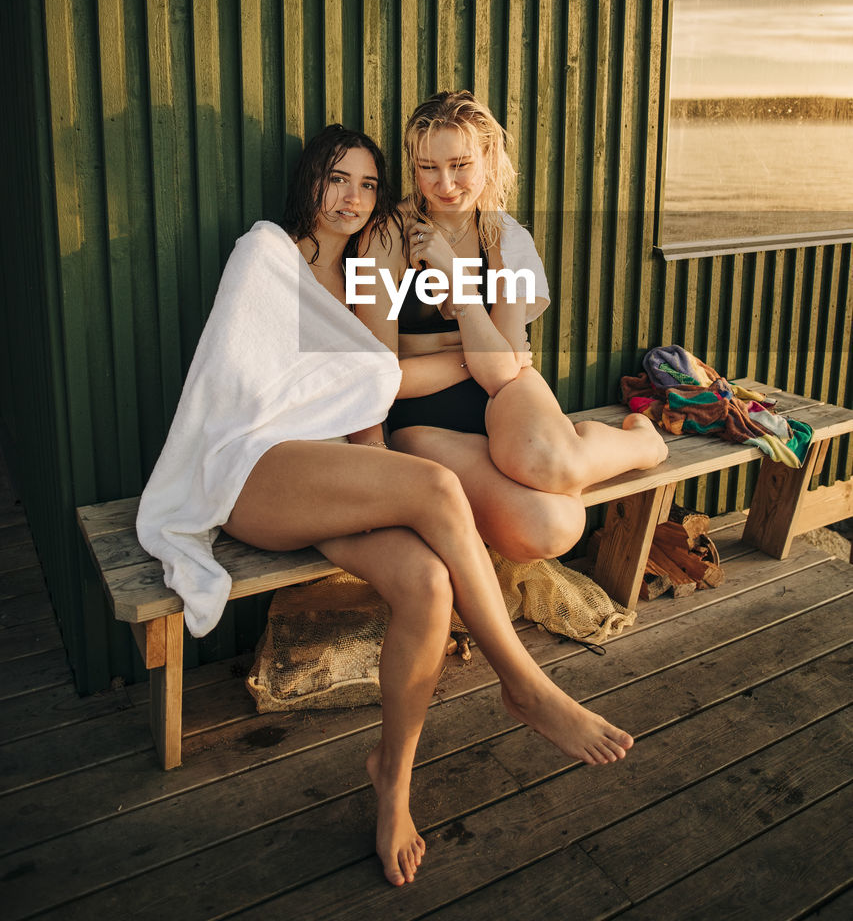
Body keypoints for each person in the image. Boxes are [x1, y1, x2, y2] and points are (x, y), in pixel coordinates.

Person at [136, 123, 635, 892]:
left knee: (428, 585)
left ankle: (390, 779)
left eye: (367, 184)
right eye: (337, 179)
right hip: (256, 467)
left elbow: (377, 380)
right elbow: (260, 382)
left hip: (335, 477)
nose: (352, 198)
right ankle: (523, 683)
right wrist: (410, 373)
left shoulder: (369, 271)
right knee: (433, 488)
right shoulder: (267, 253)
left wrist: (405, 373)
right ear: (309, 181)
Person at [357, 91, 669, 563]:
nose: (444, 184)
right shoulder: (382, 238)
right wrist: (478, 355)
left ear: (487, 157)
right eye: (428, 167)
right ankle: (585, 444)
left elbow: (503, 377)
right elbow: (383, 381)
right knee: (550, 528)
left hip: (506, 397)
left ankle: (642, 443)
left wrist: (456, 284)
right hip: (421, 419)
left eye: (460, 164)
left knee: (554, 463)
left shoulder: (506, 239)